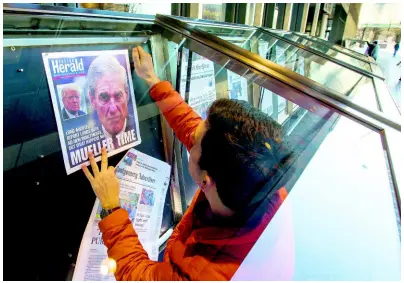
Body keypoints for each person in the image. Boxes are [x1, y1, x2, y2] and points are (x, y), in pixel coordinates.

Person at [81, 46, 294, 280]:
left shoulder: (203, 275)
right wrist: (153, 81)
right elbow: (195, 130)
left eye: (194, 145)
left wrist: (111, 206)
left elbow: (141, 276)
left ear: (206, 181)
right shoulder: (260, 177)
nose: (191, 137)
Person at [87, 55, 136, 149]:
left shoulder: (144, 130)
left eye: (118, 95)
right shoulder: (87, 143)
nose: (113, 109)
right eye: (104, 97)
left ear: (127, 94)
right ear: (92, 99)